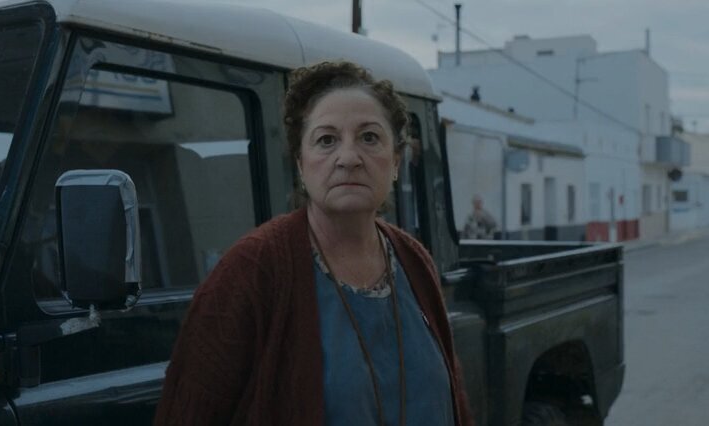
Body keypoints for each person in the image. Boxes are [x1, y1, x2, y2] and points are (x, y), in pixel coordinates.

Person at [154, 61, 472, 425]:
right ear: (301, 165)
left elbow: (455, 402)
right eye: (326, 140)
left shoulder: (414, 261)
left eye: (369, 137)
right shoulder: (253, 269)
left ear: (396, 161)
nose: (349, 158)